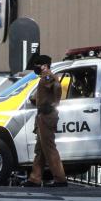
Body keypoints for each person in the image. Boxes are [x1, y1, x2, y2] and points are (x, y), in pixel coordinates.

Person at [21, 55, 67, 187]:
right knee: (40, 150)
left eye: (37, 65)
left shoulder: (47, 75)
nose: (35, 68)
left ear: (44, 65)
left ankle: (60, 179)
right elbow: (47, 92)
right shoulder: (44, 78)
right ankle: (35, 179)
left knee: (49, 148)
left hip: (46, 116)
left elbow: (57, 87)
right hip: (42, 116)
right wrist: (36, 100)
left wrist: (53, 103)